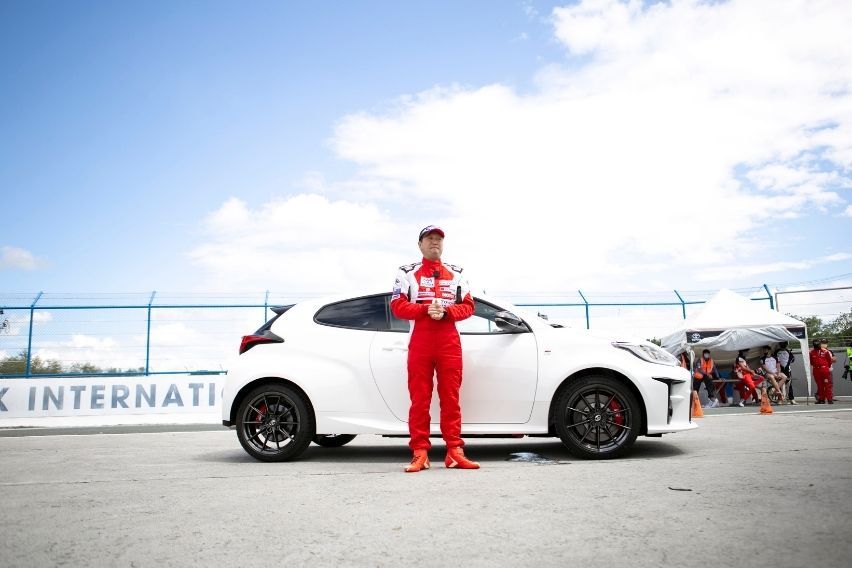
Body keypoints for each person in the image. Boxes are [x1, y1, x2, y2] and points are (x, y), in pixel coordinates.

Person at [390, 225, 479, 472]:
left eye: (439, 239)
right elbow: (397, 306)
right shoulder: (407, 272)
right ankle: (420, 453)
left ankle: (454, 451)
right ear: (420, 245)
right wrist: (425, 309)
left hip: (449, 342)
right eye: (429, 239)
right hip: (421, 340)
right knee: (420, 399)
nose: (435, 243)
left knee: (451, 398)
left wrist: (448, 311)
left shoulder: (457, 273)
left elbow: (470, 306)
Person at [810, 338, 836, 404]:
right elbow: (811, 362)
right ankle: (821, 399)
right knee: (820, 385)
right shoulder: (811, 352)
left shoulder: (825, 351)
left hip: (824, 369)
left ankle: (830, 399)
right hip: (816, 370)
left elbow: (829, 361)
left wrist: (826, 367)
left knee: (827, 384)